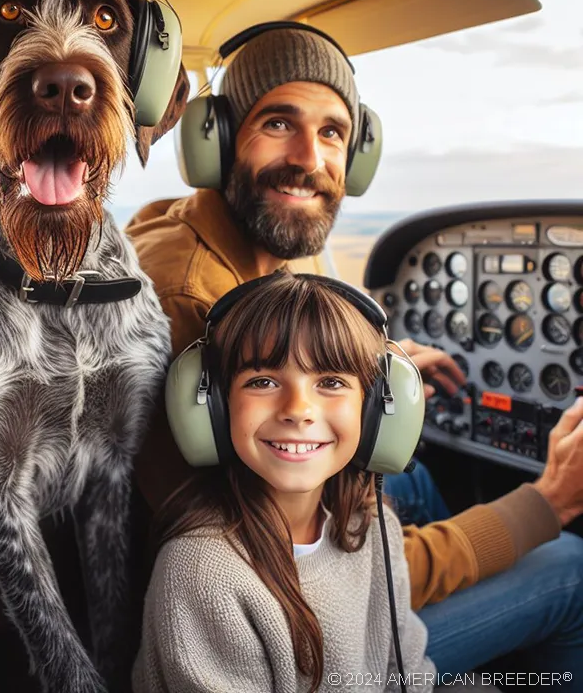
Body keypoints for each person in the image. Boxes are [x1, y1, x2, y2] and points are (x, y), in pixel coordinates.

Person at [126, 23, 583, 677]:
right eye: (278, 123)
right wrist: (547, 503)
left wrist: (367, 367)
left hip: (297, 552)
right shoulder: (189, 300)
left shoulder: (221, 231)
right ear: (217, 140)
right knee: (567, 566)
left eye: (333, 132)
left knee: (416, 480)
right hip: (289, 621)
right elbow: (297, 568)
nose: (311, 158)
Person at [134, 272, 473, 692]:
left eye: (331, 382)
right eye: (263, 381)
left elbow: (406, 674)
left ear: (376, 413)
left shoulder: (372, 526)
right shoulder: (203, 573)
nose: (299, 410)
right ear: (215, 408)